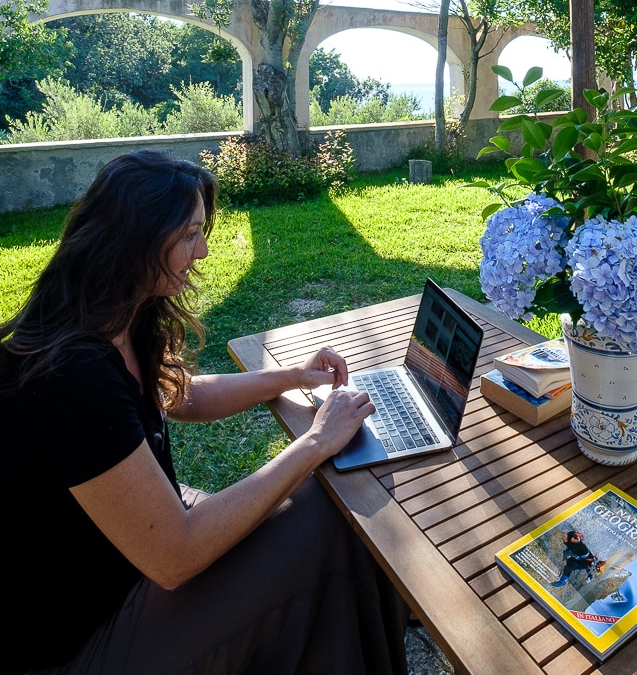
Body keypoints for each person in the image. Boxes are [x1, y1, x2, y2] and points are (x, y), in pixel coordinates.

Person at [0, 150, 409, 675]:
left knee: (325, 516)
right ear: (136, 239)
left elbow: (179, 395)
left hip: (133, 556)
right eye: (191, 234)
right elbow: (176, 555)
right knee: (324, 507)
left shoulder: (117, 312)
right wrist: (314, 443)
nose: (204, 250)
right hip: (84, 637)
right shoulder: (71, 375)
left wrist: (291, 376)